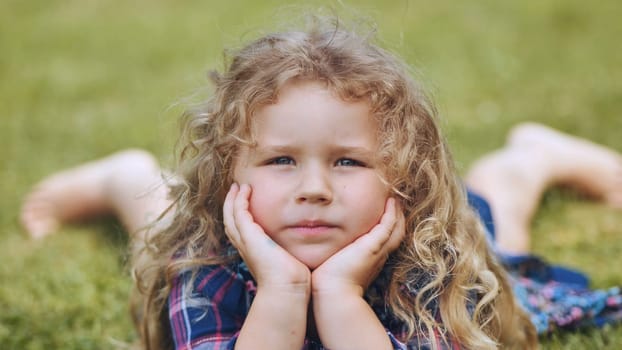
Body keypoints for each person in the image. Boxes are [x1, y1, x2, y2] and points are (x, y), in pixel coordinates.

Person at [18, 18, 622, 349]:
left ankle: (529, 159)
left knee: (497, 233)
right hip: (232, 236)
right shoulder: (205, 261)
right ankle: (126, 174)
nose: (314, 189)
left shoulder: (433, 257)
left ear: (402, 177)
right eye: (281, 160)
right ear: (233, 171)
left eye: (348, 162)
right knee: (159, 221)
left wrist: (339, 295)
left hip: (429, 239)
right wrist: (280, 288)